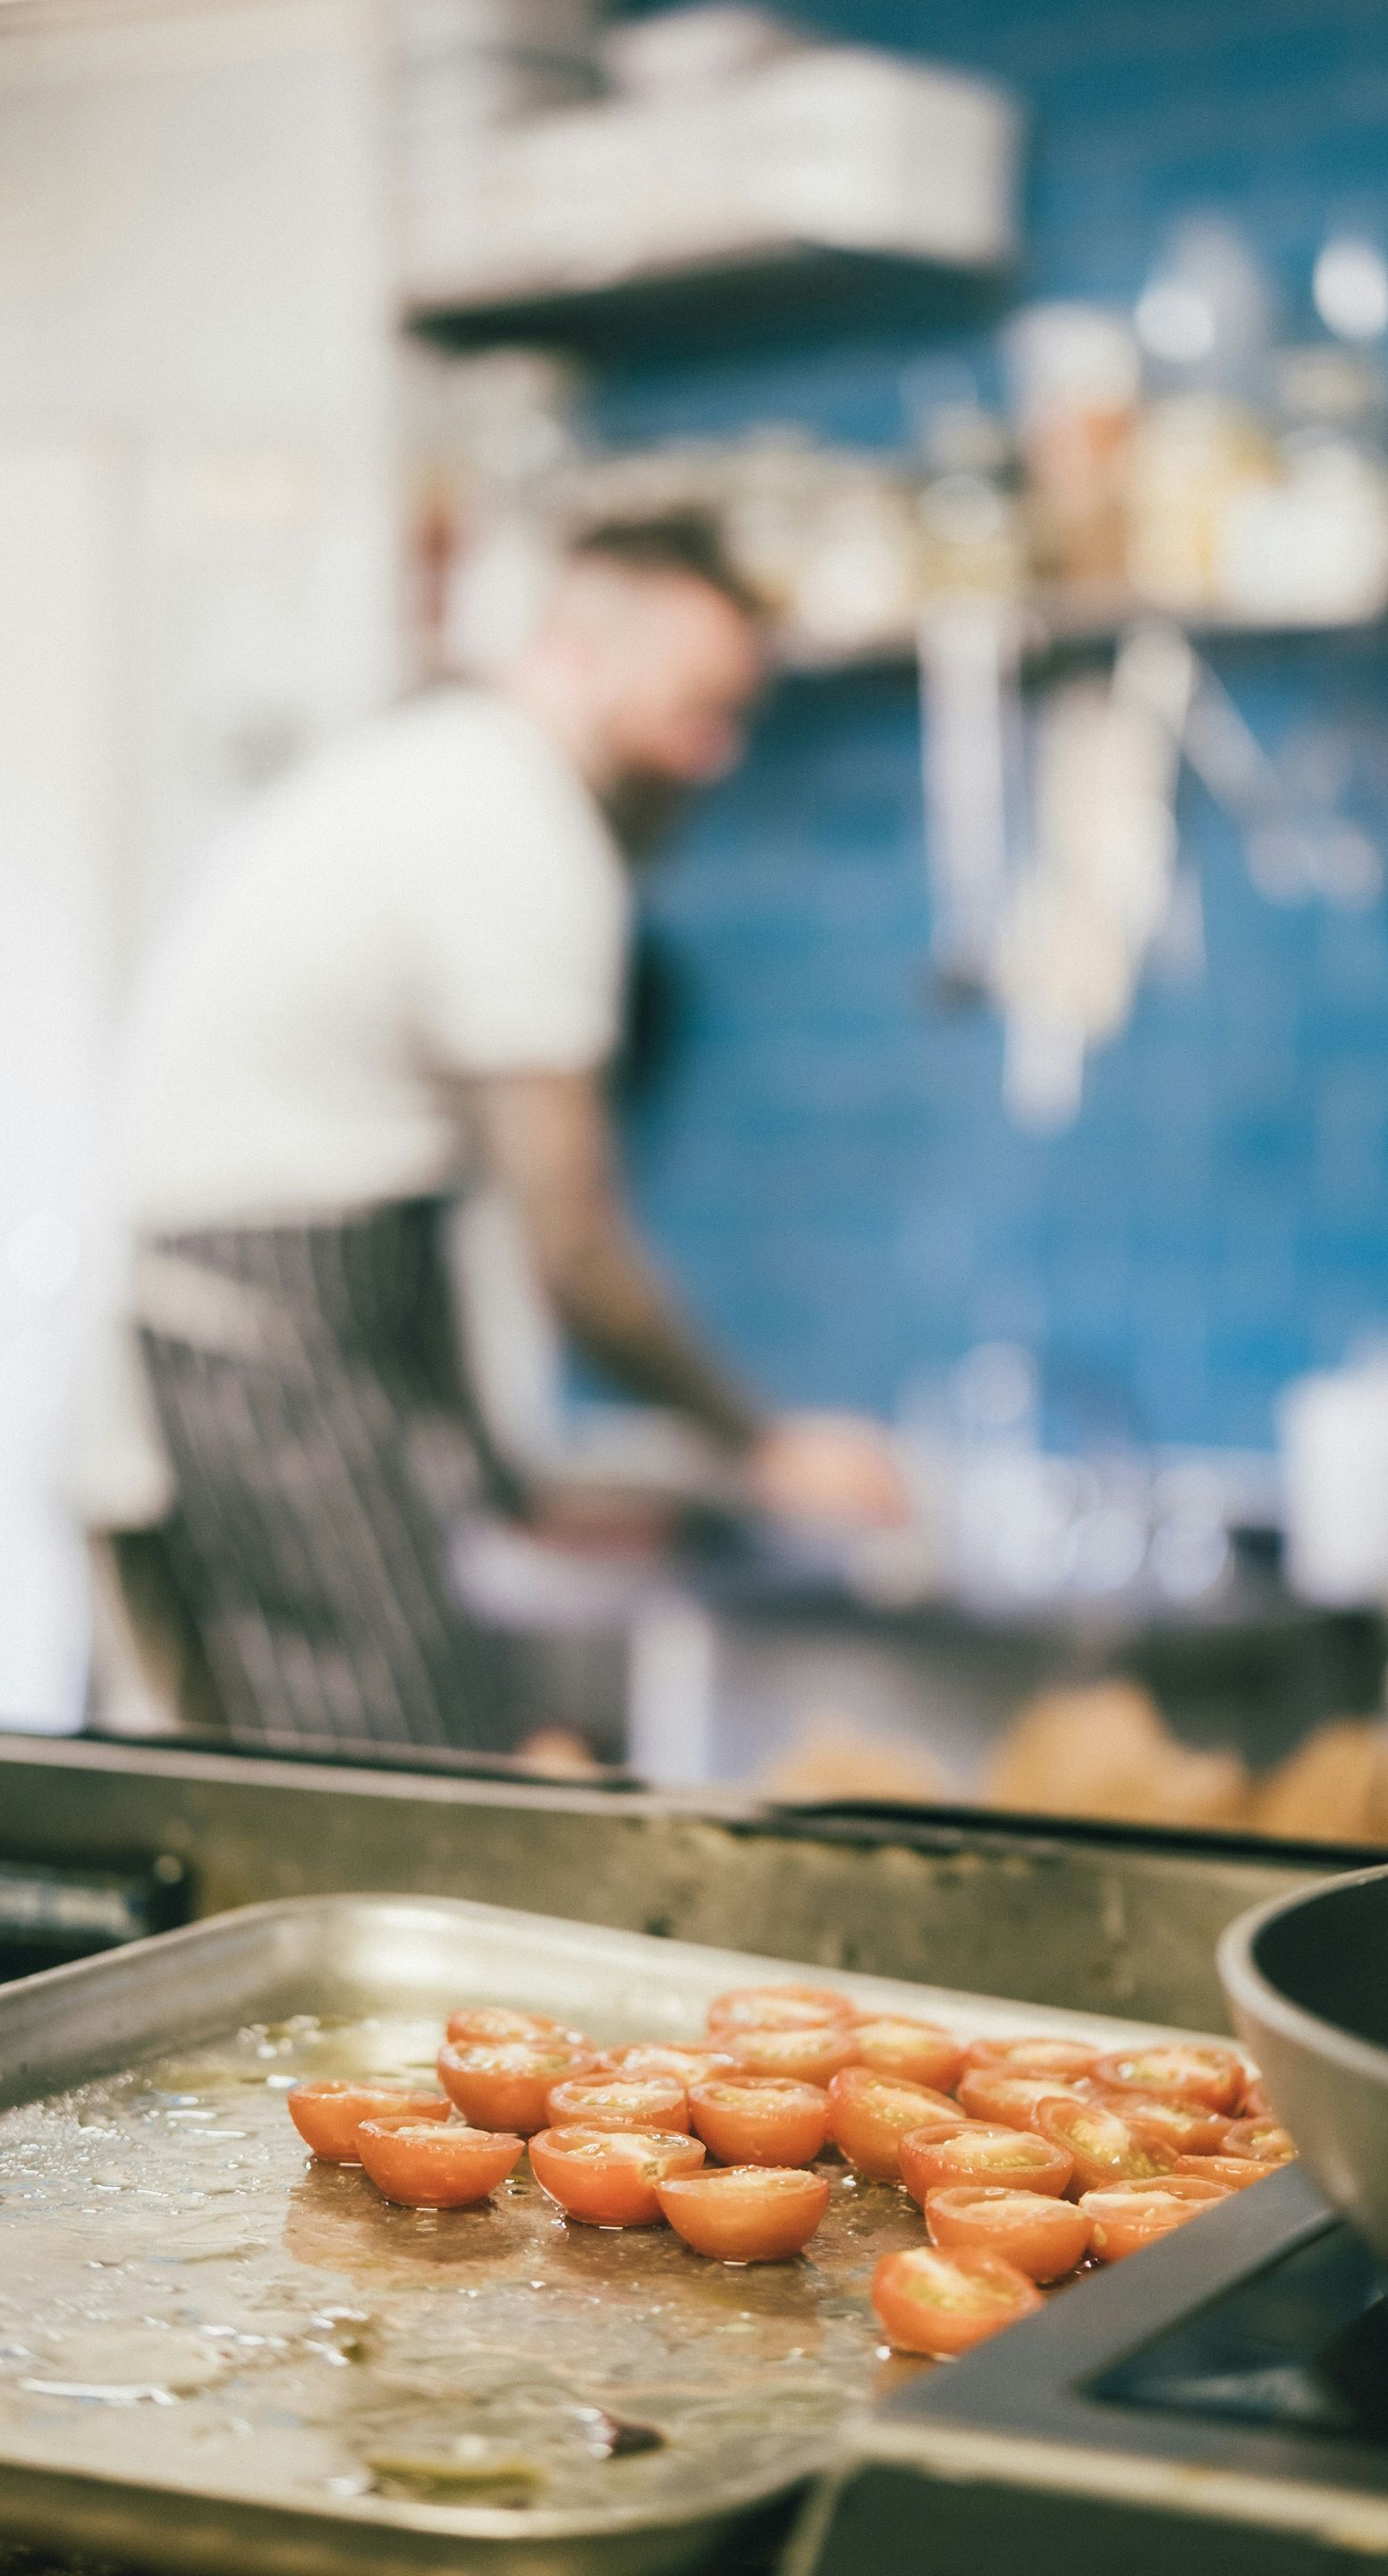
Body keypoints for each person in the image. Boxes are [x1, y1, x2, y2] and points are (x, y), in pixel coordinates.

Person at [77, 513, 908, 1751]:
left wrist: (511, 1479)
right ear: (578, 647)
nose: (713, 756)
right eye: (691, 707)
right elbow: (573, 1254)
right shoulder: (525, 831)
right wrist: (766, 1446)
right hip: (257, 1361)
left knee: (283, 1799)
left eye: (733, 719)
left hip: (207, 1339)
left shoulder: (441, 771)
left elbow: (381, 1227)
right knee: (401, 1789)